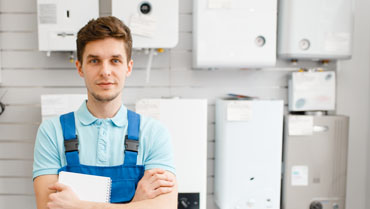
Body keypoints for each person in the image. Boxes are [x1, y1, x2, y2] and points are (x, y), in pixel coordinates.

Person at [33, 16, 177, 209]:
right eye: (94, 61)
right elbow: (47, 207)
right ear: (80, 68)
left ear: (128, 67)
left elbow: (166, 206)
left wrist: (80, 206)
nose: (105, 71)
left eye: (115, 60)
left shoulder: (153, 133)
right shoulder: (51, 132)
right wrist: (137, 203)